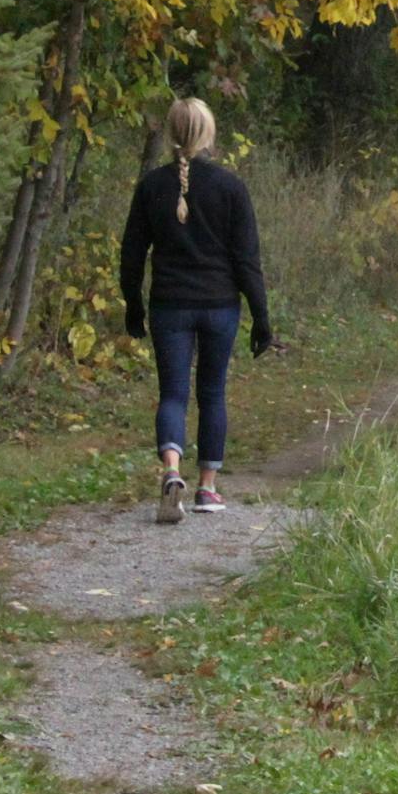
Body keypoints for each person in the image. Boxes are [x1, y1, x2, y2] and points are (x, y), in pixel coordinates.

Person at [119, 96, 274, 524]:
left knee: (173, 393)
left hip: (169, 306)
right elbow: (247, 260)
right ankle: (207, 487)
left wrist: (133, 304)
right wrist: (261, 318)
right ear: (208, 133)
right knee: (212, 393)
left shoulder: (151, 186)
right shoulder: (230, 187)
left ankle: (172, 471)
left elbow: (132, 253)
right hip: (220, 306)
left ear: (171, 132)